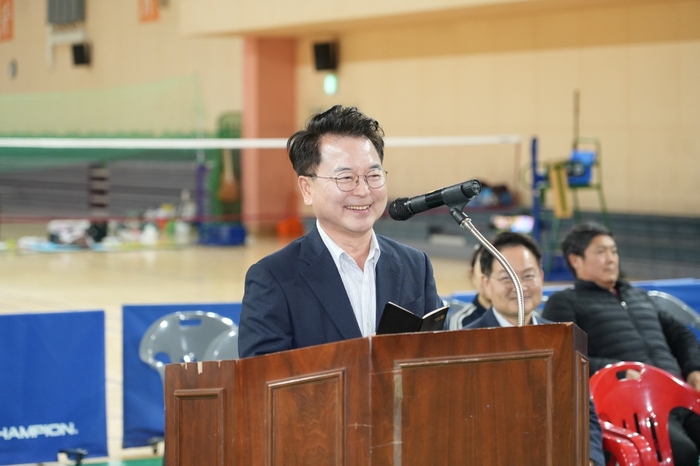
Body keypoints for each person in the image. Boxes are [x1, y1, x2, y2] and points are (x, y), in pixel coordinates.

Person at [238, 105, 443, 358]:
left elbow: (438, 359)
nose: (363, 190)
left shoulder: (416, 266)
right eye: (346, 178)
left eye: (373, 175)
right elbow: (262, 376)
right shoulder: (273, 277)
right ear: (307, 189)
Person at [543, 221, 700, 466]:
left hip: (678, 394)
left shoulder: (638, 296)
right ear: (575, 260)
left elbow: (682, 334)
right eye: (601, 252)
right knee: (682, 453)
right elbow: (563, 358)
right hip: (633, 405)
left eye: (614, 251)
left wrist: (694, 369)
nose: (611, 259)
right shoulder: (564, 302)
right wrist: (615, 370)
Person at [466, 232, 606, 466]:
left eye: (528, 276)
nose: (520, 287)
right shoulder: (465, 344)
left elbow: (584, 413)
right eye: (507, 277)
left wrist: (590, 459)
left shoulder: (563, 338)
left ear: (541, 277)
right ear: (486, 284)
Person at [446, 244, 491, 329]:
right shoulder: (462, 322)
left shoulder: (516, 316)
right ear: (472, 274)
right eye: (485, 269)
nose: (490, 278)